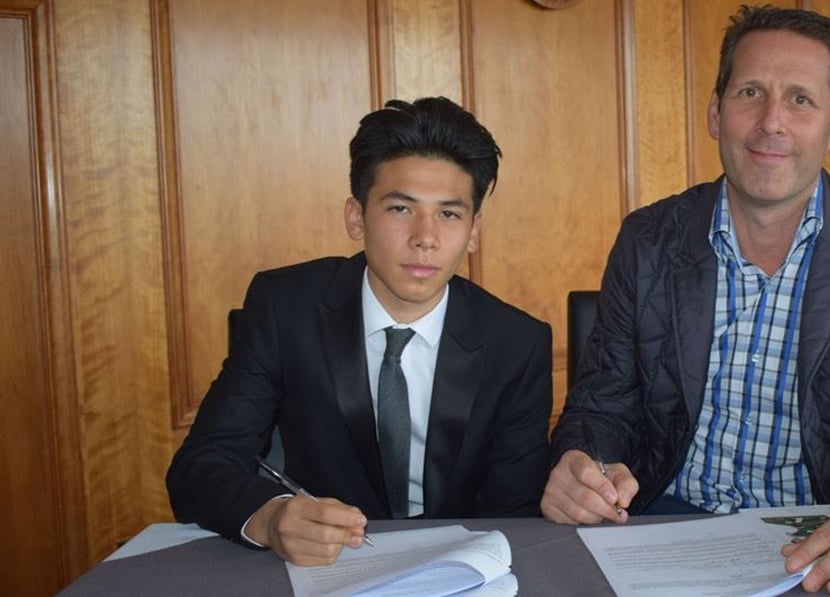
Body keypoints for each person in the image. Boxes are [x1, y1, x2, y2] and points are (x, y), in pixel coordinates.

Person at [542, 6, 830, 595]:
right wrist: (583, 463)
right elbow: (599, 407)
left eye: (801, 101)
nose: (771, 123)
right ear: (715, 113)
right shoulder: (649, 238)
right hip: (663, 529)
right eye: (751, 92)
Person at [167, 97, 552, 566]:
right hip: (320, 566)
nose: (425, 238)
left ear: (473, 230)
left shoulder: (518, 343)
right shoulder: (284, 307)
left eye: (449, 214)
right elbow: (200, 466)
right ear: (356, 217)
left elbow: (514, 511)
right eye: (400, 209)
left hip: (455, 568)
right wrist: (269, 518)